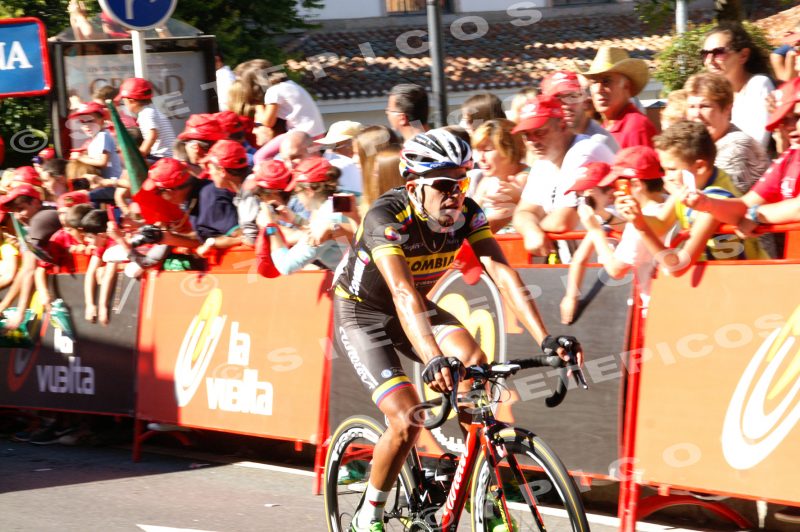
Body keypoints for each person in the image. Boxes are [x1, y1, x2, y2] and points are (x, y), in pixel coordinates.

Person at [332, 128, 583, 531]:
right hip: (365, 315)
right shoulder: (386, 219)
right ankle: (368, 514)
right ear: (413, 186)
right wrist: (432, 357)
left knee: (474, 367)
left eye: (462, 181)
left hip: (412, 308)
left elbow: (502, 273)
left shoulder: (468, 214)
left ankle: (484, 494)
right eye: (445, 184)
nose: (456, 194)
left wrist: (546, 338)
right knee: (407, 418)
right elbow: (400, 292)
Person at [617, 121, 766, 279]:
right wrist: (636, 215)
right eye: (664, 169)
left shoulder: (713, 201)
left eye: (672, 169)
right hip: (723, 279)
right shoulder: (688, 186)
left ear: (699, 167)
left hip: (749, 278)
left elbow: (677, 267)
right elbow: (661, 225)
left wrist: (641, 227)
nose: (666, 177)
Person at [683, 77, 800, 238]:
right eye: (784, 120)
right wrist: (707, 203)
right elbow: (746, 204)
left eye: (797, 117)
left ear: (727, 109)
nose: (789, 127)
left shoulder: (738, 144)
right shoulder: (790, 156)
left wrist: (755, 214)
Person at [561, 149, 667, 324]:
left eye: (619, 184)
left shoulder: (639, 222)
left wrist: (595, 230)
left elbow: (616, 270)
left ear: (635, 184)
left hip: (657, 311)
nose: (616, 190)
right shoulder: (671, 204)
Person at [511, 95, 615, 262]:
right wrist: (530, 230)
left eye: (539, 132)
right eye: (526, 135)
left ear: (562, 125)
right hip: (582, 263)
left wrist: (535, 228)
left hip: (611, 260)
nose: (533, 141)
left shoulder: (584, 151)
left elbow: (563, 221)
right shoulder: (543, 163)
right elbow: (522, 212)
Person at [260, 157, 355, 275]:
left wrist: (270, 227)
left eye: (296, 192)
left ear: (309, 191)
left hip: (360, 284)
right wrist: (296, 219)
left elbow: (286, 266)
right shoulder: (341, 201)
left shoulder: (325, 219)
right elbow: (331, 235)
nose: (297, 198)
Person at [684, 72, 770, 194]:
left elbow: (718, 200)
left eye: (704, 106)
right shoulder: (703, 146)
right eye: (691, 106)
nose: (696, 114)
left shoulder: (736, 146)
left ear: (727, 109)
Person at [702, 21, 775, 148]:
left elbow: (754, 146)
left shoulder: (758, 85)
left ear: (743, 55)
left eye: (718, 52)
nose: (709, 61)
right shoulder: (709, 96)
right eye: (705, 54)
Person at [0, 184, 62, 332]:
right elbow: (25, 270)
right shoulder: (37, 218)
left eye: (21, 209)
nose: (18, 216)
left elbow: (29, 269)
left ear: (35, 203)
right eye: (14, 211)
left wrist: (20, 312)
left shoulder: (40, 220)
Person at [582, 46, 657, 149]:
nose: (598, 89)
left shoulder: (637, 127)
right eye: (594, 82)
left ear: (626, 86)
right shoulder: (605, 127)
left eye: (606, 81)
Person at [194, 140, 258, 256]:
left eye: (211, 168)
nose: (209, 173)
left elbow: (251, 240)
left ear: (222, 171)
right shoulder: (248, 184)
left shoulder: (248, 194)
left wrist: (213, 242)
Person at [470, 119, 528, 233]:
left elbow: (487, 227)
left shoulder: (525, 179)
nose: (480, 158)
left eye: (487, 150)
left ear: (509, 150)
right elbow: (470, 216)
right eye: (478, 150)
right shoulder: (487, 181)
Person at [541, 70, 619, 153]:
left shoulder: (599, 143)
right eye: (556, 99)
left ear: (585, 101)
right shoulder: (544, 143)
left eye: (572, 96)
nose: (565, 105)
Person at [116, 77, 176, 160]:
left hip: (161, 157)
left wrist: (141, 153)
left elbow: (152, 135)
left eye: (124, 101)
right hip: (167, 155)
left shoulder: (146, 113)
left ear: (131, 101)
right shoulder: (152, 109)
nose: (124, 104)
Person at [68, 101, 122, 182]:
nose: (86, 126)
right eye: (82, 122)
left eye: (90, 121)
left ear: (102, 120)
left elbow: (102, 162)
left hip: (113, 182)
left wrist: (80, 157)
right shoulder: (96, 139)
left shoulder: (103, 136)